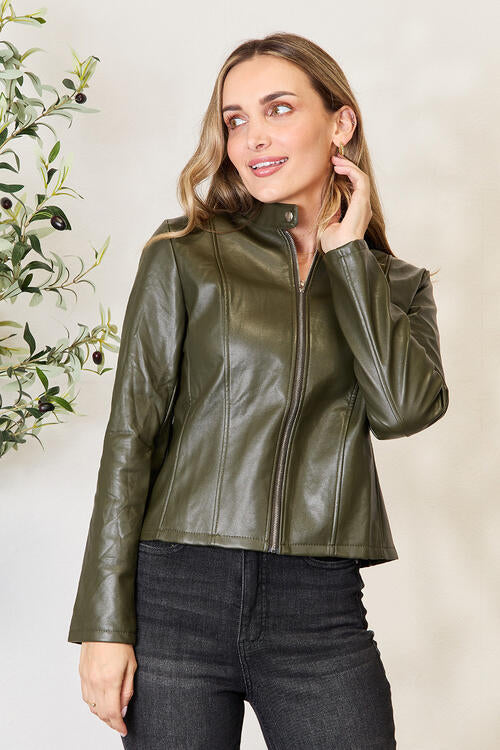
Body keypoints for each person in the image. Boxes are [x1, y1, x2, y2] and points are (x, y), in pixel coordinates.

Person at [67, 32, 449, 749]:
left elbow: (401, 411)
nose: (253, 137)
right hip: (177, 595)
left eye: (278, 109)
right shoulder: (184, 252)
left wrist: (347, 256)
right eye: (236, 119)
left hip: (319, 608)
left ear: (340, 123)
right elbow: (131, 438)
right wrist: (103, 624)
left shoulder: (396, 285)